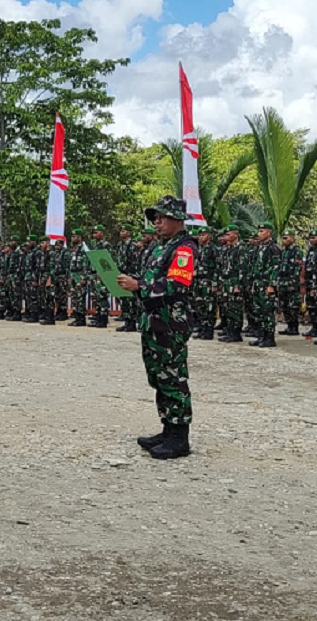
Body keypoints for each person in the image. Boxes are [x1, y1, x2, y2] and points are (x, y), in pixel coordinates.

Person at [117, 196, 199, 460]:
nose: (157, 221)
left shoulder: (184, 248)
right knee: (158, 375)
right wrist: (130, 282)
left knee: (173, 377)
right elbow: (150, 280)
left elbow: (178, 283)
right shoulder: (160, 248)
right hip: (153, 320)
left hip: (170, 322)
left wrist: (139, 286)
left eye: (162, 217)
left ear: (177, 219)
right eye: (155, 217)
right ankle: (167, 428)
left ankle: (179, 437)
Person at [277, 230, 304, 336]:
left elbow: (297, 268)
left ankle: (294, 327)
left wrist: (294, 283)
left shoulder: (297, 251)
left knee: (293, 306)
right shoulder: (283, 252)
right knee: (284, 305)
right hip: (283, 282)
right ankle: (289, 326)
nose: (284, 240)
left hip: (292, 283)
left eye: (286, 238)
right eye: (283, 238)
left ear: (292, 238)